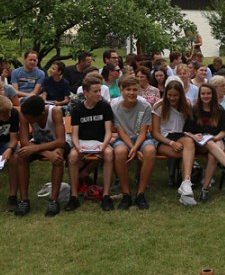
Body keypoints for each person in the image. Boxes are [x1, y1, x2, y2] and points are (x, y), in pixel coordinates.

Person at [65, 77, 115, 212]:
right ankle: (74, 196)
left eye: (100, 90)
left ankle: (106, 195)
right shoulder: (77, 110)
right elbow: (74, 134)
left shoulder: (105, 107)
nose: (99, 94)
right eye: (95, 91)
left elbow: (108, 131)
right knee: (73, 157)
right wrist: (77, 146)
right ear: (86, 93)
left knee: (109, 154)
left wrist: (104, 146)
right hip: (82, 142)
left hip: (99, 142)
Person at [187, 84, 225, 203]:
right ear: (199, 95)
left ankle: (205, 189)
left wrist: (216, 138)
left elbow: (224, 131)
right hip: (200, 143)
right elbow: (187, 131)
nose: (205, 96)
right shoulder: (195, 110)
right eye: (203, 94)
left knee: (213, 155)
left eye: (208, 93)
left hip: (216, 140)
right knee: (209, 143)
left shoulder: (219, 110)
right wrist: (194, 136)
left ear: (213, 95)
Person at [15, 95, 67, 217]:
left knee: (58, 156)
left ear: (42, 114)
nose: (29, 121)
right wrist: (46, 153)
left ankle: (53, 200)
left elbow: (61, 141)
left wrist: (38, 149)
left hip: (56, 143)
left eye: (32, 120)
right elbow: (24, 141)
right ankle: (24, 200)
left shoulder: (55, 111)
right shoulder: (24, 113)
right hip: (37, 144)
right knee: (21, 156)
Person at [111, 76, 156, 210]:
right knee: (119, 152)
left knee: (150, 151)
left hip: (141, 138)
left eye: (135, 90)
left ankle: (140, 193)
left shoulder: (145, 106)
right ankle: (126, 194)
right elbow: (121, 131)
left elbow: (143, 132)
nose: (131, 93)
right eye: (128, 89)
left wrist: (135, 148)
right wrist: (133, 149)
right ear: (121, 90)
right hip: (124, 139)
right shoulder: (114, 106)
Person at [151, 81, 197, 206]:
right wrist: (171, 143)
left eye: (175, 95)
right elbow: (155, 133)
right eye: (169, 95)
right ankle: (186, 188)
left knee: (189, 143)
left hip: (181, 135)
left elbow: (188, 127)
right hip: (163, 139)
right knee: (187, 154)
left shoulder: (186, 104)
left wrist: (193, 135)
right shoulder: (158, 106)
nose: (172, 98)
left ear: (181, 95)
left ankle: (186, 183)